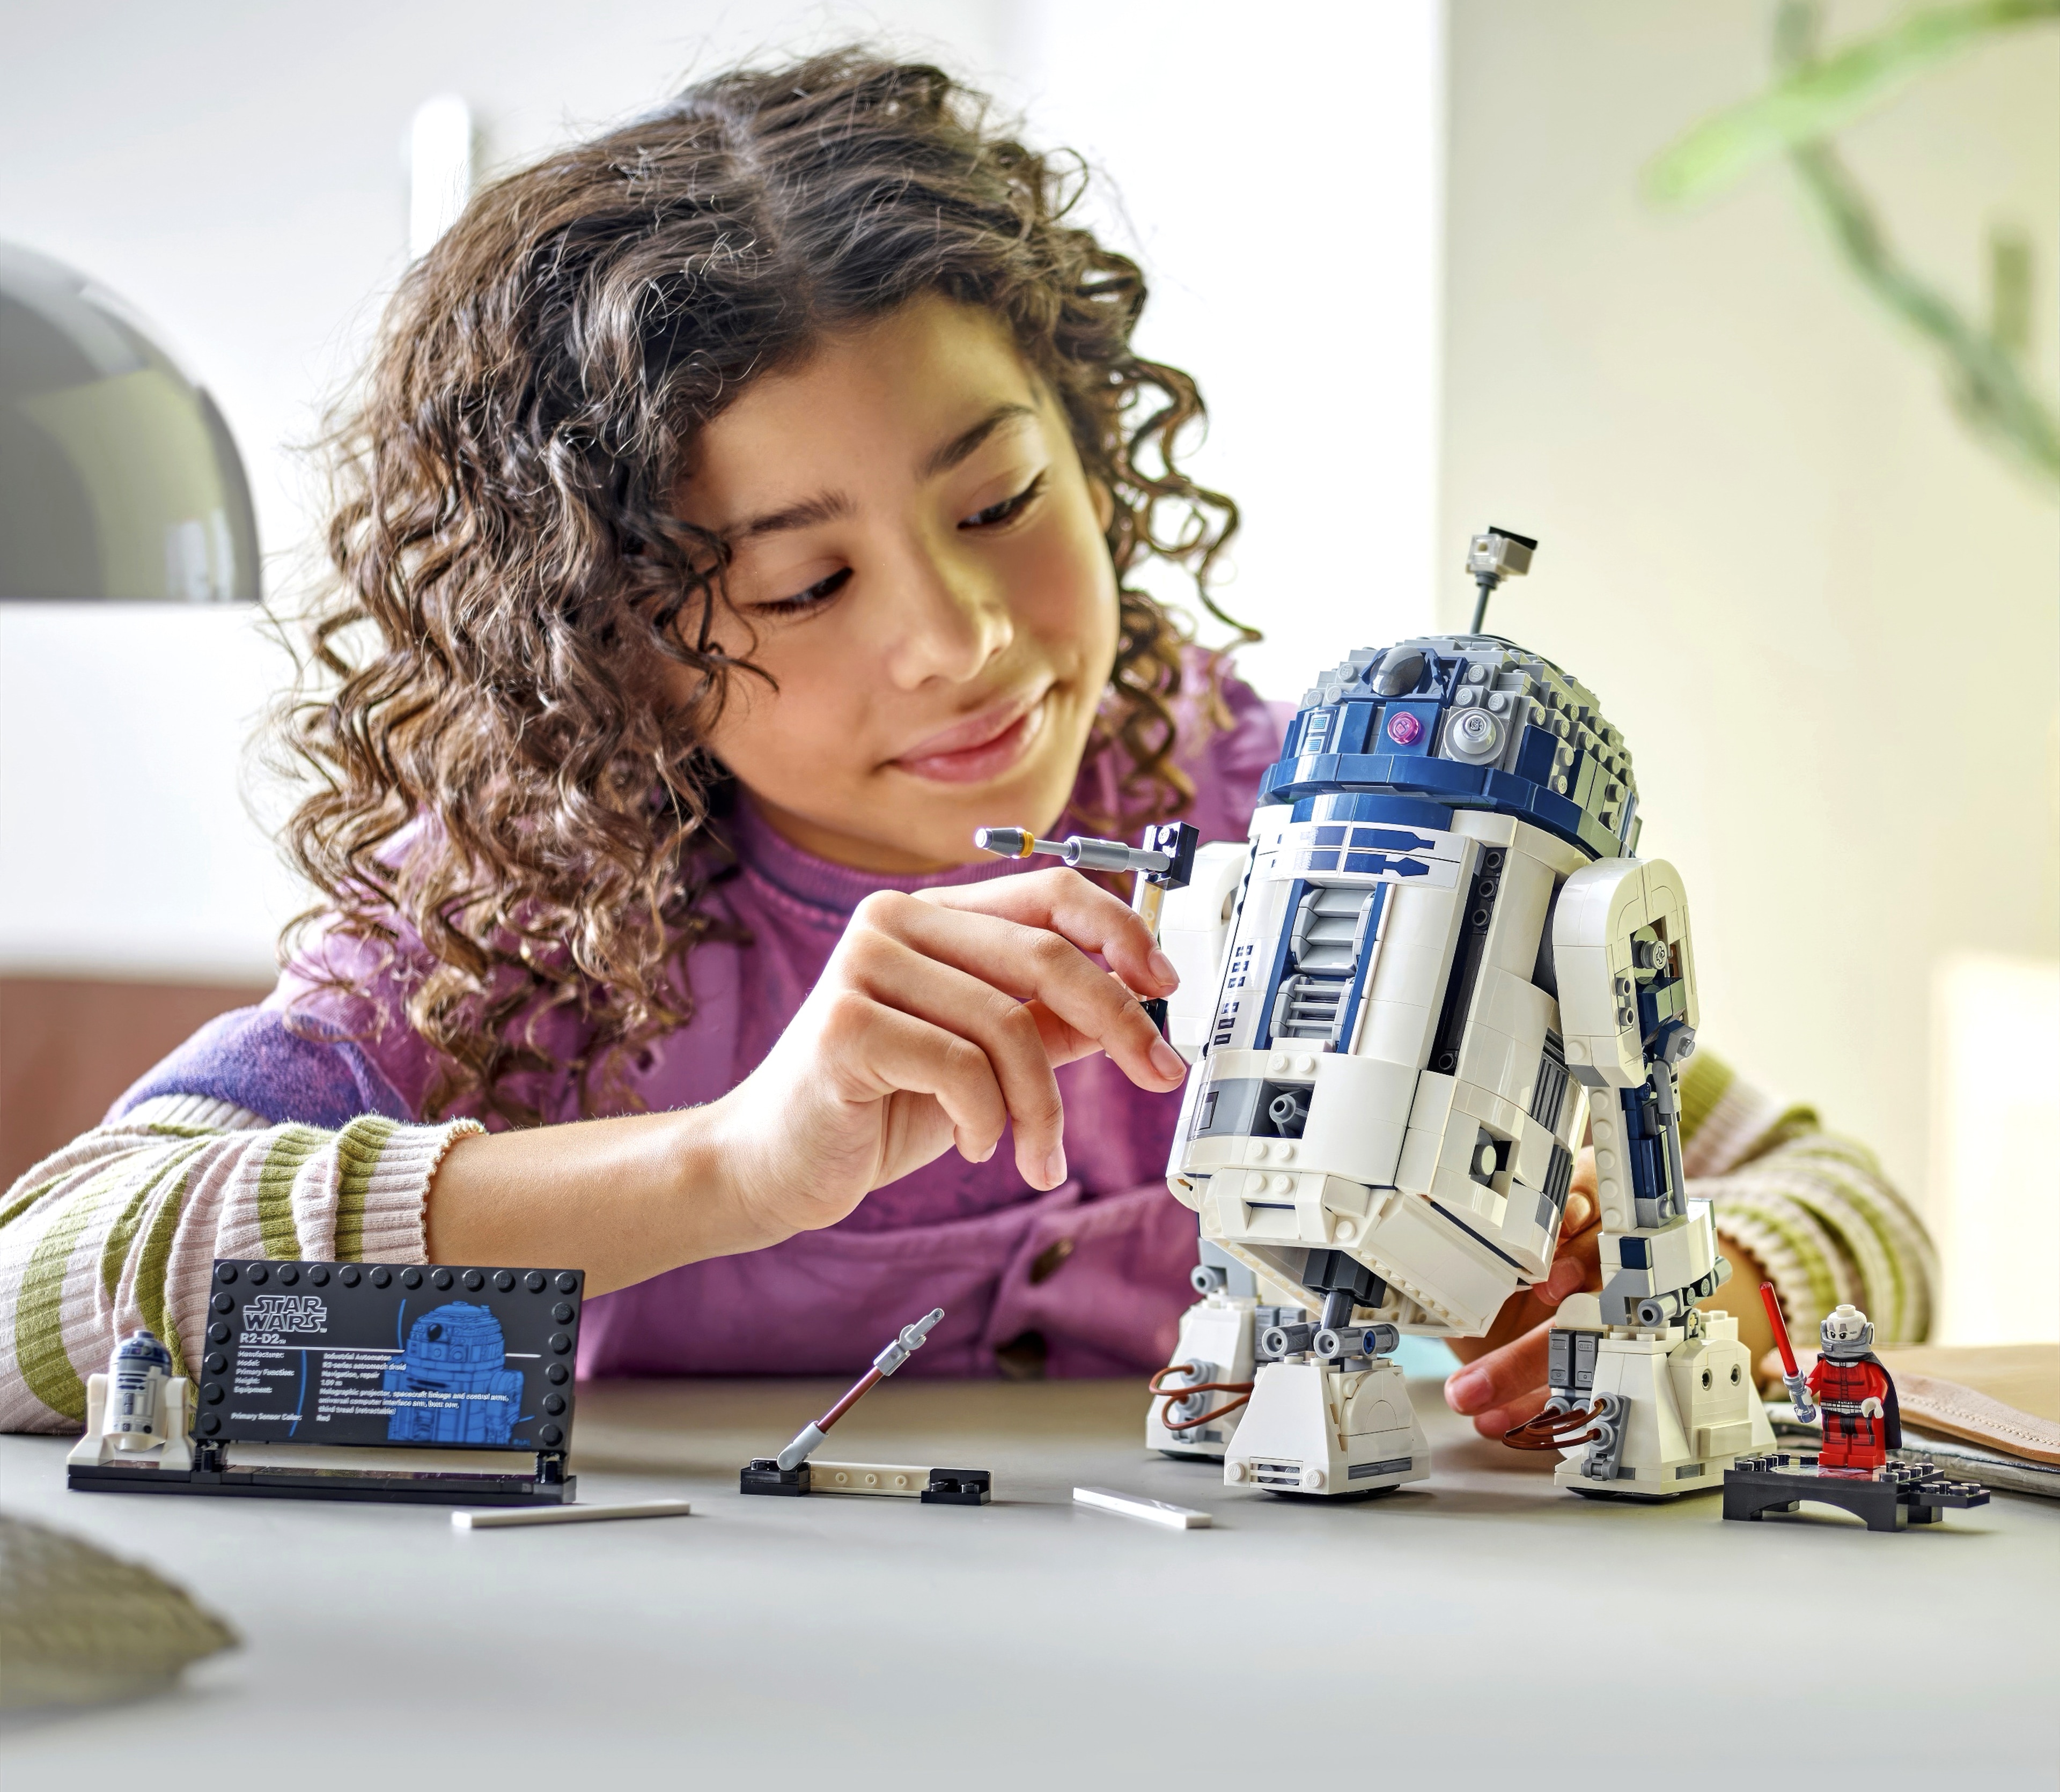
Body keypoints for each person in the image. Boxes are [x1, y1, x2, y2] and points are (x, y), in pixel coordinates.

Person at [0, 49, 1930, 1441]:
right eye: (805, 586)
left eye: (1002, 498)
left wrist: (1702, 1288)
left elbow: (1840, 1198)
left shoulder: (1301, 818)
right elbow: (37, 1296)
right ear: (622, 652)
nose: (964, 641)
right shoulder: (513, 936)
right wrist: (731, 1168)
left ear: (1096, 455)